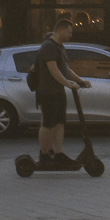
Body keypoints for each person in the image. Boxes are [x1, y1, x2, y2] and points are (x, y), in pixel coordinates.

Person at [35, 18, 91, 166]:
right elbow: (53, 69)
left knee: (59, 123)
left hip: (57, 92)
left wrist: (79, 81)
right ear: (60, 30)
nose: (70, 35)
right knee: (48, 124)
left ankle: (58, 153)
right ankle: (44, 154)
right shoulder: (48, 46)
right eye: (69, 31)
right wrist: (68, 84)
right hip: (47, 92)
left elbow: (65, 69)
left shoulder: (60, 47)